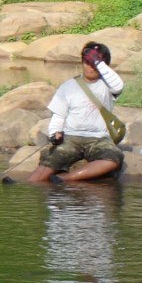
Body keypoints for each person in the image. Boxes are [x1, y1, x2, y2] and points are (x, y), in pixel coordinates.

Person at [27, 41, 125, 184]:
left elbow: (119, 85)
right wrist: (55, 133)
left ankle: (65, 178)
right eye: (86, 62)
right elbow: (59, 116)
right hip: (71, 138)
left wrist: (97, 61)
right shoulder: (68, 87)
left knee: (113, 157)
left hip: (99, 139)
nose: (89, 67)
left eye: (94, 63)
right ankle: (26, 185)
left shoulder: (108, 86)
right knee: (51, 159)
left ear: (104, 66)